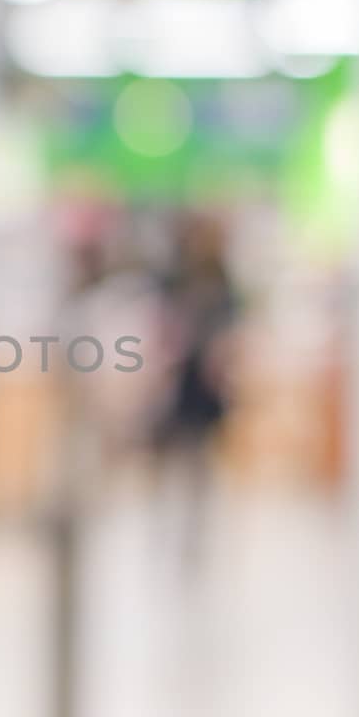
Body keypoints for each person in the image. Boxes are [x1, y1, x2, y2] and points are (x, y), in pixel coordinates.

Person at [150, 214, 239, 569]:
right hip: (178, 381)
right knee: (170, 456)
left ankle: (195, 534)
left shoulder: (222, 280)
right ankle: (167, 529)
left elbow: (232, 329)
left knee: (200, 459)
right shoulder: (174, 279)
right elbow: (161, 325)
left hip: (206, 385)